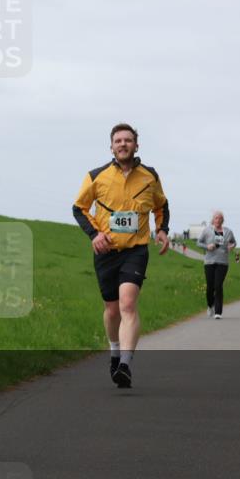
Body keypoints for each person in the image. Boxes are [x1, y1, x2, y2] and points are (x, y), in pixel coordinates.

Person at [73, 123, 170, 389]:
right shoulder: (96, 176)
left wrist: (161, 230)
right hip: (106, 251)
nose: (123, 144)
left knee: (127, 304)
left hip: (136, 250)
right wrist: (95, 235)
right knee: (112, 309)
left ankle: (125, 364)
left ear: (136, 145)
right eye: (118, 141)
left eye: (128, 140)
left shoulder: (149, 176)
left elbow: (161, 205)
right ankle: (115, 353)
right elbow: (79, 208)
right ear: (112, 146)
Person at [196, 211, 236, 319]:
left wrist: (231, 246)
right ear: (213, 220)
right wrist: (207, 246)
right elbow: (198, 242)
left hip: (222, 262)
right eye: (216, 218)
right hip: (209, 262)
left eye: (220, 218)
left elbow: (233, 242)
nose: (218, 220)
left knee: (218, 286)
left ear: (222, 220)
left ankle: (218, 312)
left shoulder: (228, 232)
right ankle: (210, 306)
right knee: (210, 287)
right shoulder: (207, 231)